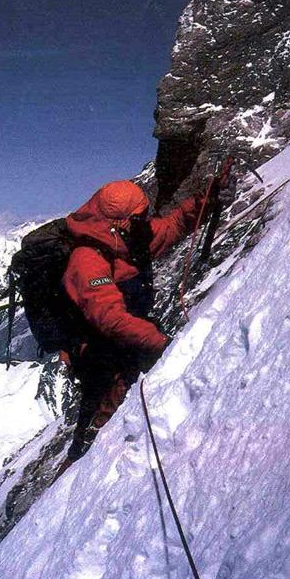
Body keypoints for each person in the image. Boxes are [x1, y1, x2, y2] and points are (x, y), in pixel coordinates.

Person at [58, 164, 232, 471]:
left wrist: (206, 198)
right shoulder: (86, 260)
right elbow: (109, 318)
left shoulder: (126, 241)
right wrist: (163, 343)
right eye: (139, 217)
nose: (145, 222)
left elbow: (172, 225)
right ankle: (81, 471)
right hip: (101, 359)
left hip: (129, 343)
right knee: (103, 421)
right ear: (119, 222)